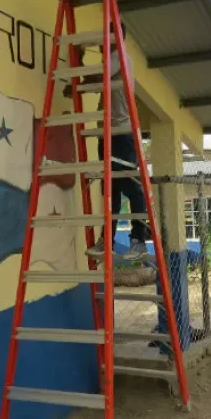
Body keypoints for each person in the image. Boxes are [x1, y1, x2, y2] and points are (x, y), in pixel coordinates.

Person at [63, 22, 148, 262]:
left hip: (121, 133)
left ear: (117, 38)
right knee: (111, 191)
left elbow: (100, 76)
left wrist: (77, 83)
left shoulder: (121, 57)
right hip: (106, 134)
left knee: (130, 186)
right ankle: (106, 240)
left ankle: (139, 240)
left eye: (106, 37)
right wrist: (77, 81)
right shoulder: (110, 60)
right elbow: (99, 76)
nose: (101, 43)